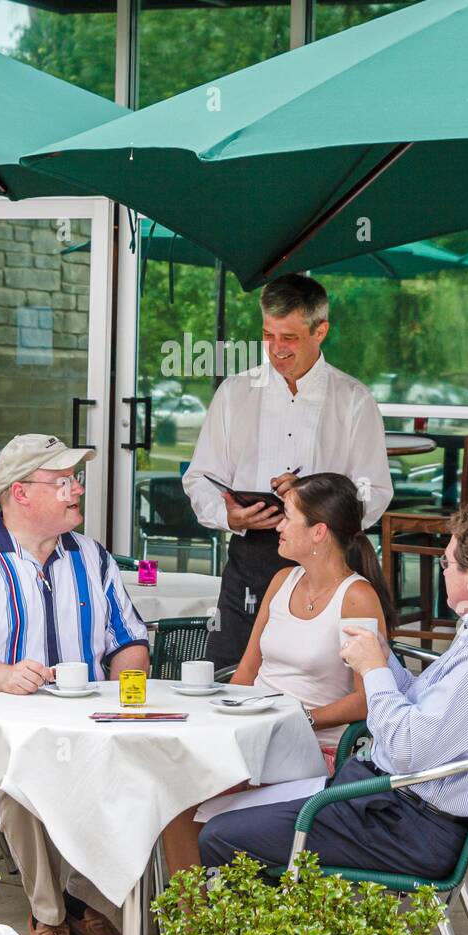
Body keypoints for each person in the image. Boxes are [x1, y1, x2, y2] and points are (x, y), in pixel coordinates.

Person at [199, 500, 468, 881]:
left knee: (221, 834)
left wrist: (373, 669)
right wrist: (387, 663)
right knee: (219, 813)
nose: (442, 571)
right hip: (388, 804)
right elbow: (428, 712)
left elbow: (407, 749)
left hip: (404, 823)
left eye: (447, 563)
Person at [0, 433, 151, 935]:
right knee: (20, 775)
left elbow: (129, 640)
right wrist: (4, 676)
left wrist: (128, 696)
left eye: (76, 479)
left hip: (86, 720)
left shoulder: (93, 559)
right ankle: (48, 912)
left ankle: (84, 899)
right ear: (21, 494)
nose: (77, 490)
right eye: (63, 481)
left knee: (138, 762)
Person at [161, 471, 397, 875]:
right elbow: (246, 672)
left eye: (287, 517)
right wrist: (218, 722)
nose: (279, 527)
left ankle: (212, 919)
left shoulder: (356, 598)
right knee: (169, 794)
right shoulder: (282, 581)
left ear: (319, 532)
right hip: (255, 737)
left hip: (311, 750)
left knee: (197, 811)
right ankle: (195, 922)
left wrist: (298, 717)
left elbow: (367, 698)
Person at [183, 273, 392, 671]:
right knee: (231, 672)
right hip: (251, 557)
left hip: (330, 561)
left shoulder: (353, 400)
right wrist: (227, 515)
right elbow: (200, 477)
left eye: (290, 338)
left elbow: (374, 490)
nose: (277, 349)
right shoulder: (234, 393)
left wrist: (315, 499)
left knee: (326, 678)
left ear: (321, 330)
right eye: (268, 335)